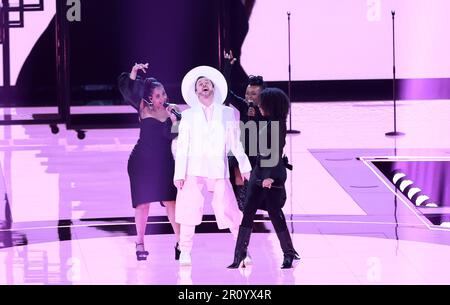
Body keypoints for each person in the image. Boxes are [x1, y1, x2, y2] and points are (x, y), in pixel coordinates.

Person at [173, 65, 252, 266]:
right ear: (196, 91)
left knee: (229, 209)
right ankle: (185, 251)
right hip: (193, 169)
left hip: (218, 169)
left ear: (214, 88)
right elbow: (182, 145)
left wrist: (244, 166)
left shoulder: (227, 113)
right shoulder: (189, 115)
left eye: (207, 82)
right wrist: (179, 173)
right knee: (189, 210)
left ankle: (241, 251)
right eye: (200, 83)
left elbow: (235, 142)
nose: (204, 85)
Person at [227, 87, 300, 269]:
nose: (259, 104)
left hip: (272, 175)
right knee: (248, 212)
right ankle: (239, 255)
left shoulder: (278, 125)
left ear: (272, 106)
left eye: (262, 103)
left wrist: (269, 178)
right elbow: (231, 96)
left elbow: (274, 154)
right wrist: (226, 66)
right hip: (258, 172)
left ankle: (288, 253)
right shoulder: (266, 120)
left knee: (275, 213)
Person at [118, 63, 181, 261]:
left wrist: (175, 121)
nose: (162, 98)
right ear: (150, 98)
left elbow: (173, 136)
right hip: (141, 161)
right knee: (143, 203)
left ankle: (180, 243)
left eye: (163, 94)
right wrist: (134, 73)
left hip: (164, 163)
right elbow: (127, 90)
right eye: (158, 96)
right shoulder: (142, 107)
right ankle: (140, 242)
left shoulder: (174, 110)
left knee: (171, 201)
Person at [223, 50, 266, 211]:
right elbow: (226, 94)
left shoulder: (266, 110)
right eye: (248, 93)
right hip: (241, 148)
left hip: (258, 151)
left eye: (254, 94)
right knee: (238, 175)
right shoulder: (243, 105)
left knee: (254, 180)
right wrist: (228, 67)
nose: (249, 96)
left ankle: (250, 205)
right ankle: (241, 207)